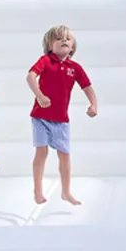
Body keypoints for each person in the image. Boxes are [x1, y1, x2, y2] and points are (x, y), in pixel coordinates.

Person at [27, 25, 97, 206]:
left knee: (64, 156)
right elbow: (31, 76)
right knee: (41, 152)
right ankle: (38, 191)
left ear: (72, 46)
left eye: (67, 38)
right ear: (50, 45)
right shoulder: (45, 61)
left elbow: (88, 88)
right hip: (40, 116)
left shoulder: (75, 68)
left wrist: (93, 104)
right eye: (58, 38)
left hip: (61, 120)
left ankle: (66, 192)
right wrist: (40, 96)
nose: (63, 40)